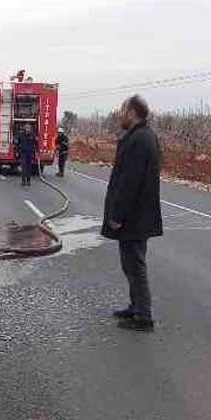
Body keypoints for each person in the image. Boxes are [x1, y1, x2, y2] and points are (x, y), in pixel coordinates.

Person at [102, 94, 163, 332]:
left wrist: (117, 215)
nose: (119, 114)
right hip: (138, 215)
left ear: (132, 113)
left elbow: (130, 182)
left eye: (123, 110)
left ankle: (143, 317)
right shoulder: (141, 136)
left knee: (135, 265)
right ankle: (135, 306)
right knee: (131, 264)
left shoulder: (140, 139)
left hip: (134, 216)